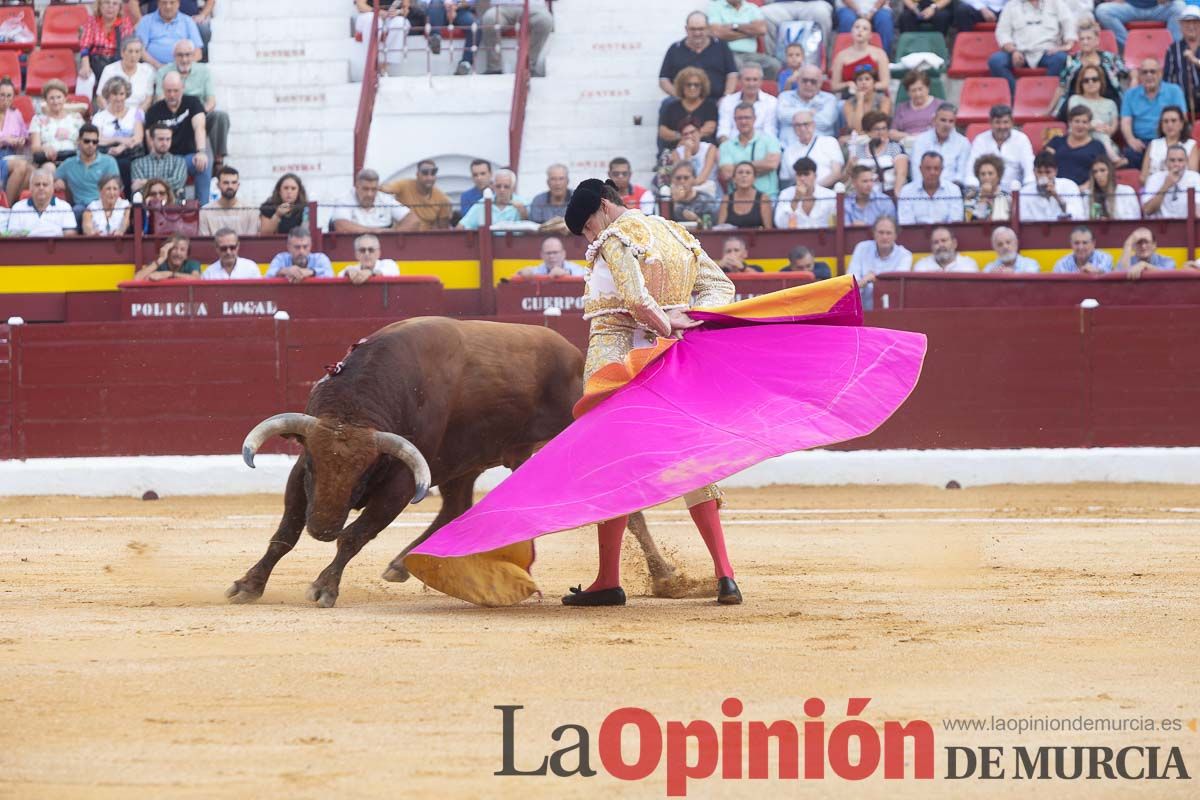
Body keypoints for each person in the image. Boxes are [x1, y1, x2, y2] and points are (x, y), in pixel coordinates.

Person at [560, 178, 741, 606]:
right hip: (669, 359)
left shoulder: (616, 237)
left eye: (588, 226)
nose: (591, 237)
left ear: (604, 207)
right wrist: (684, 317)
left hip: (617, 362)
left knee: (612, 465)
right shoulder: (677, 232)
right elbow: (722, 289)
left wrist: (666, 320)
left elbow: (637, 300)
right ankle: (725, 575)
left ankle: (608, 579)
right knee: (691, 459)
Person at [155, 39, 229, 165]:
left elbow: (211, 101)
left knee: (220, 117)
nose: (184, 59)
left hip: (199, 114)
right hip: (173, 116)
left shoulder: (203, 71)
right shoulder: (164, 72)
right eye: (180, 55)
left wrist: (198, 113)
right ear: (174, 56)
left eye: (188, 55)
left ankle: (218, 160)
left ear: (194, 55)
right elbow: (160, 99)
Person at [144, 72, 210, 200]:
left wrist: (201, 151)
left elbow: (199, 127)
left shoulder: (193, 103)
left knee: (203, 164)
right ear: (163, 90)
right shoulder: (154, 111)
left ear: (182, 88)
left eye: (176, 90)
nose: (172, 95)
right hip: (167, 158)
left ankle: (202, 209)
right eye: (168, 91)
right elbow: (150, 140)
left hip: (189, 157)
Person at [990, 0, 1076, 95]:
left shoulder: (1057, 3)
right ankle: (1017, 95)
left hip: (1048, 52)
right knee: (996, 61)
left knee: (1061, 58)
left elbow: (1069, 26)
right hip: (1019, 52)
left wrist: (1065, 46)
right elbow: (1002, 32)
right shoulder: (1011, 6)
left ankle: (1045, 96)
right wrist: (1013, 51)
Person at [1049, 18, 1127, 120]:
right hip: (1078, 105)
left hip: (1106, 102)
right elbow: (1062, 87)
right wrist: (1049, 110)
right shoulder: (1071, 61)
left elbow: (1127, 74)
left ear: (1097, 40)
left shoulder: (1110, 59)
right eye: (1082, 39)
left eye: (1089, 38)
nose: (1085, 42)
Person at [1120, 58, 1187, 170]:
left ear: (1160, 73)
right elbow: (1125, 122)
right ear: (1140, 75)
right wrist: (1131, 139)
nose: (1149, 75)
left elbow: (1182, 118)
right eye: (1145, 72)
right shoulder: (1130, 94)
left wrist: (1170, 140)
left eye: (1153, 71)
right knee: (1129, 153)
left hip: (1167, 138)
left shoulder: (1174, 91)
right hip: (1141, 142)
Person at [659, 12, 739, 102]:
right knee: (666, 104)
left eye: (701, 29)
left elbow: (732, 74)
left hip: (715, 100)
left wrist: (726, 97)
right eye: (693, 29)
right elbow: (663, 79)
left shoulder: (721, 46)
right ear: (686, 29)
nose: (697, 33)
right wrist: (678, 96)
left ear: (708, 29)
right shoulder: (675, 49)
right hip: (682, 101)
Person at [93, 76, 145, 194]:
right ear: (108, 95)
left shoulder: (136, 112)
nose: (118, 98)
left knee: (125, 164)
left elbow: (138, 137)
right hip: (108, 153)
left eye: (121, 94)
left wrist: (122, 147)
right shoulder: (99, 117)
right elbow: (98, 139)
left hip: (131, 153)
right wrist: (118, 139)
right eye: (114, 94)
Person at [718, 102, 782, 197]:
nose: (743, 122)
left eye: (747, 118)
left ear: (754, 119)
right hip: (736, 199)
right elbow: (727, 173)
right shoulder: (725, 146)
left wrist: (737, 169)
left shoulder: (770, 140)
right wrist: (759, 166)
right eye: (739, 118)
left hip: (767, 196)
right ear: (734, 120)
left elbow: (772, 164)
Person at [847, 215, 911, 309]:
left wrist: (874, 280)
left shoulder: (905, 255)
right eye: (881, 232)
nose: (884, 237)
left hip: (892, 311)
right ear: (874, 233)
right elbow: (849, 286)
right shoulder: (861, 248)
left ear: (895, 235)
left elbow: (898, 287)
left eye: (888, 233)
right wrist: (864, 281)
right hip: (863, 311)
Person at [966, 104, 1034, 189]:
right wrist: (973, 189)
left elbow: (1029, 169)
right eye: (998, 122)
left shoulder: (1022, 139)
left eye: (1005, 122)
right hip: (986, 190)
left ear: (1012, 122)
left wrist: (1028, 189)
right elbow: (971, 169)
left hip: (1014, 191)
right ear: (990, 122)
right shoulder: (981, 139)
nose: (1002, 127)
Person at [1065, 65, 1123, 164]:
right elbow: (1074, 123)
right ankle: (1113, 158)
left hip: (1103, 141)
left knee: (1100, 135)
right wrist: (1095, 126)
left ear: (1101, 81)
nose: (1090, 83)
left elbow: (1112, 129)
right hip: (1079, 140)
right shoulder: (1075, 100)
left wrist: (1106, 129)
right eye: (1086, 80)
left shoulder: (1111, 103)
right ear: (1081, 83)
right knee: (1096, 127)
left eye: (1094, 79)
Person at [480, 0, 554, 77]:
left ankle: (528, 66)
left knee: (545, 20)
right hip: (501, 6)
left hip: (533, 6)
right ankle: (494, 68)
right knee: (489, 19)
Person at [56, 125, 120, 213]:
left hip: (103, 205)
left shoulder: (109, 162)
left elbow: (116, 188)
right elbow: (50, 179)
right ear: (79, 141)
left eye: (94, 142)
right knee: (76, 211)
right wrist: (57, 181)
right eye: (87, 141)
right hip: (81, 206)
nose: (91, 145)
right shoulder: (68, 164)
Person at [709, 0, 780, 78]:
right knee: (736, 64)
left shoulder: (752, 8)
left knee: (774, 64)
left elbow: (761, 29)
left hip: (751, 54)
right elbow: (717, 33)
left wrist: (734, 26)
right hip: (728, 53)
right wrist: (750, 32)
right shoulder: (715, 7)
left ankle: (760, 88)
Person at [332, 168, 419, 233]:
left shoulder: (385, 199)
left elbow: (413, 220)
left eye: (374, 189)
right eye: (365, 189)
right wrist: (375, 232)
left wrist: (395, 234)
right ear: (357, 186)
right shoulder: (344, 199)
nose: (370, 194)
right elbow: (341, 226)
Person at [78, 0, 136, 91]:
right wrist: (85, 64)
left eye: (115, 4)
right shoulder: (92, 21)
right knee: (84, 77)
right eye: (106, 2)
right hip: (96, 62)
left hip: (118, 61)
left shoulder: (125, 23)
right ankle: (83, 103)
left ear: (119, 7)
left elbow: (129, 46)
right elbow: (85, 45)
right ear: (99, 5)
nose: (110, 7)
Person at [380, 158, 453, 230]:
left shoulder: (442, 198)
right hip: (403, 236)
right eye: (425, 173)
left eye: (433, 173)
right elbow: (386, 189)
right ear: (417, 174)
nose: (429, 177)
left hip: (427, 238)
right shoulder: (404, 185)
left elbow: (443, 228)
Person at [658, 68, 719, 152]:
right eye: (688, 84)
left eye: (696, 85)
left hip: (703, 152)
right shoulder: (671, 107)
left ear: (702, 86)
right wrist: (681, 137)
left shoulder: (709, 106)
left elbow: (709, 128)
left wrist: (689, 138)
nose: (692, 88)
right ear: (682, 86)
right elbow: (663, 131)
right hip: (675, 150)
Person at [1044, 106, 1108, 186]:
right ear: (1070, 122)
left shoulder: (1097, 146)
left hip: (1085, 192)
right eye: (1077, 121)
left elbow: (1102, 172)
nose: (1080, 125)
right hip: (1056, 188)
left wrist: (1082, 189)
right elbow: (1044, 165)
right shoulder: (1056, 141)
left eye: (1084, 122)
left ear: (1089, 124)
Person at [909, 103, 970, 187]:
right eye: (943, 120)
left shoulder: (963, 143)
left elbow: (961, 174)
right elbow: (916, 172)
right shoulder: (921, 140)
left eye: (951, 121)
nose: (947, 125)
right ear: (934, 120)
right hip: (923, 189)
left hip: (952, 192)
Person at [779, 111, 844, 187]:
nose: (802, 128)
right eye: (798, 125)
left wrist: (814, 190)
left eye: (806, 124)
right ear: (793, 128)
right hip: (801, 195)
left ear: (813, 124)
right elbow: (786, 181)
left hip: (828, 192)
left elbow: (836, 173)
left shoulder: (829, 142)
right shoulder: (788, 151)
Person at [776, 64, 839, 143]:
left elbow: (825, 123)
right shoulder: (785, 96)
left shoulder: (829, 99)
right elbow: (783, 117)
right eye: (805, 80)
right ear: (798, 80)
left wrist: (796, 116)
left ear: (820, 83)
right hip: (788, 147)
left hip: (819, 148)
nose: (808, 84)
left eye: (813, 81)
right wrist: (810, 112)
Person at [847, 111, 908, 192]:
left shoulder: (895, 147)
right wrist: (849, 167)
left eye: (884, 128)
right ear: (868, 132)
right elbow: (848, 176)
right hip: (862, 195)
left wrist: (896, 195)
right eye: (876, 129)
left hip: (888, 192)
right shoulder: (858, 149)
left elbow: (901, 174)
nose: (881, 132)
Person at [4, 169, 78, 237]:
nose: (41, 188)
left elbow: (69, 237)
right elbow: (13, 238)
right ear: (30, 188)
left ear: (52, 188)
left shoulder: (65, 207)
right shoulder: (18, 208)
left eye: (45, 184)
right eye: (37, 184)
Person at [29, 80, 85, 168]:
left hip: (73, 158)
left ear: (65, 98)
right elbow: (35, 148)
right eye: (51, 98)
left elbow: (84, 141)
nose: (55, 101)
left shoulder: (76, 118)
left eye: (59, 97)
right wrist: (45, 149)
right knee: (49, 168)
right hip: (49, 160)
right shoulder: (38, 119)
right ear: (46, 100)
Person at [716, 63, 778, 143]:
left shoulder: (772, 102)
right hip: (732, 147)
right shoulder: (727, 101)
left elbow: (770, 132)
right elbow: (723, 130)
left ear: (761, 81)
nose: (751, 84)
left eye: (755, 79)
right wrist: (729, 149)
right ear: (740, 80)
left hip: (761, 148)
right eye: (747, 79)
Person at [897, 152, 964, 224]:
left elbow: (955, 222)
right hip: (915, 234)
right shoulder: (907, 191)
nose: (932, 172)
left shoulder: (954, 190)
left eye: (936, 168)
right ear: (920, 169)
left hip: (946, 234)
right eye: (928, 168)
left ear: (942, 169)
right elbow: (906, 224)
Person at [1019, 151, 1086, 222]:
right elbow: (1023, 220)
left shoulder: (1069, 186)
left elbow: (1079, 217)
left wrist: (1057, 197)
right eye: (1039, 172)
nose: (1043, 176)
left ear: (1055, 171)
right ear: (1034, 172)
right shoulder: (1024, 192)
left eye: (1048, 172)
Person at [830, 17, 890, 94]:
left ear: (870, 35)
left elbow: (885, 83)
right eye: (857, 27)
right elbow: (834, 85)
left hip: (873, 96)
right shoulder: (841, 56)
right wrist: (847, 84)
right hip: (849, 96)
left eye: (865, 28)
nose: (860, 30)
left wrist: (868, 87)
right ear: (851, 31)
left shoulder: (880, 54)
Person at [1140, 106, 1199, 186]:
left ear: (1181, 124)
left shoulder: (1191, 144)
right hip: (1155, 189)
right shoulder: (1153, 144)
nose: (1169, 125)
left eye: (1173, 121)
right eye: (1166, 121)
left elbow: (1192, 175)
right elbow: (1143, 177)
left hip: (1182, 189)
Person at [96, 37, 156, 113]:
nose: (133, 55)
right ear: (122, 53)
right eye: (130, 51)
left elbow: (148, 99)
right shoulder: (109, 70)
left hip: (136, 114)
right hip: (111, 111)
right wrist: (110, 113)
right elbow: (100, 97)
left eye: (137, 51)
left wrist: (136, 116)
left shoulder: (147, 70)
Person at [136, 0, 203, 68]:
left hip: (183, 69)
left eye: (172, 2)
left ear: (178, 4)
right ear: (158, 4)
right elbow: (140, 49)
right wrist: (158, 66)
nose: (168, 6)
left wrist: (182, 67)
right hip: (152, 68)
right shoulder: (146, 20)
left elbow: (198, 53)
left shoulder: (188, 21)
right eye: (164, 3)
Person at [1095, 0, 1186, 50]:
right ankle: (1132, 46)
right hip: (1130, 7)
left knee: (1179, 7)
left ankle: (1173, 51)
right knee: (1102, 11)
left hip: (1158, 7)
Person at [773, 156, 837, 228]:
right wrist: (795, 200)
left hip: (823, 238)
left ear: (815, 176)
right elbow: (780, 224)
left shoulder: (830, 195)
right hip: (796, 238)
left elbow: (836, 224)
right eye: (799, 174)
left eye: (806, 174)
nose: (802, 178)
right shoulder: (785, 194)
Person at [1141, 143, 1200, 218]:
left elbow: (1198, 210)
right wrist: (1166, 185)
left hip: (1187, 225)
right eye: (1172, 160)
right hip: (1161, 226)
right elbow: (1148, 210)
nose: (1176, 164)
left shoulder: (1195, 178)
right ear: (1166, 162)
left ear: (1186, 162)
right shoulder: (1154, 178)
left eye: (1180, 160)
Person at [199, 165, 259, 236]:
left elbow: (251, 241)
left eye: (234, 182)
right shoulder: (205, 211)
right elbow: (204, 242)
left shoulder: (250, 210)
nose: (230, 186)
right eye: (226, 183)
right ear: (218, 185)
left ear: (238, 185)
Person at [458, 168, 527, 229]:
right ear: (492, 186)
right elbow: (461, 226)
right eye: (498, 186)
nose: (502, 190)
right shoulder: (482, 204)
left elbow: (533, 230)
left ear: (513, 188)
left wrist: (524, 214)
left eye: (506, 186)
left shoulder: (523, 203)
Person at [1163, 6, 1200, 118]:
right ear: (1181, 26)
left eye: (1195, 22)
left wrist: (1195, 60)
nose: (1191, 26)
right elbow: (1167, 78)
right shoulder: (1173, 49)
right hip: (1182, 102)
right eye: (1187, 23)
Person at [131, 123, 187, 197]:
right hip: (147, 206)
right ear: (151, 140)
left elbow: (177, 182)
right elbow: (139, 190)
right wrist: (167, 184)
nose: (165, 143)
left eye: (168, 139)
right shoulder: (137, 163)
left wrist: (145, 182)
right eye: (161, 139)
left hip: (173, 207)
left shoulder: (179, 162)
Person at [1082, 154, 1142, 220]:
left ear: (1111, 172)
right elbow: (1084, 220)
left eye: (1102, 170)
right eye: (1095, 172)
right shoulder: (1088, 195)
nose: (1098, 175)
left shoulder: (1126, 191)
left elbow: (1135, 218)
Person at [0, 78, 32, 201]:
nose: (5, 99)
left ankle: (13, 205)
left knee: (31, 171)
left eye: (9, 96)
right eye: (2, 95)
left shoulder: (15, 114)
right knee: (21, 166)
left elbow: (24, 135)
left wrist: (21, 140)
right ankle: (5, 207)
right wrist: (5, 140)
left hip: (10, 155)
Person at [669, 120, 720, 197]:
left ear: (699, 133)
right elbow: (683, 178)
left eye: (692, 132)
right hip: (686, 193)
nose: (689, 136)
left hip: (708, 190)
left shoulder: (710, 148)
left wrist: (690, 184)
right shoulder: (676, 153)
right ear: (682, 137)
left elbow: (702, 178)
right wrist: (687, 153)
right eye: (685, 134)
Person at [760, 2, 834, 55]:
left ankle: (823, 57)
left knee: (821, 13)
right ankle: (772, 59)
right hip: (783, 3)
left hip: (814, 3)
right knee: (764, 13)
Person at [717, 161, 773, 228]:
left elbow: (768, 229)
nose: (744, 175)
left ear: (754, 179)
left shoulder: (763, 198)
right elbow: (720, 228)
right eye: (740, 172)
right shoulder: (726, 199)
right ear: (734, 179)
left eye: (748, 173)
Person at [266, 228, 334, 282]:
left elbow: (331, 276)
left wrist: (311, 272)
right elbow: (268, 277)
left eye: (305, 247)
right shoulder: (281, 258)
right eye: (297, 247)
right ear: (288, 247)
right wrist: (286, 271)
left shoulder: (320, 258)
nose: (301, 251)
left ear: (310, 246)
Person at [841, 65, 892, 138]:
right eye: (860, 79)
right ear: (856, 84)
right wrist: (860, 100)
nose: (863, 82)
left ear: (874, 82)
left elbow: (880, 127)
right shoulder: (849, 103)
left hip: (878, 137)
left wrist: (865, 135)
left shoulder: (884, 101)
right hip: (856, 139)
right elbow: (857, 129)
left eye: (867, 79)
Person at [892, 70, 942, 142]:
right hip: (907, 144)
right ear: (908, 92)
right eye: (913, 90)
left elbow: (945, 130)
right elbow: (892, 133)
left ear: (928, 88)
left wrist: (922, 136)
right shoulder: (901, 108)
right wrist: (910, 136)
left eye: (920, 89)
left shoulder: (940, 106)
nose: (918, 94)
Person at [667, 162, 719, 227]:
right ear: (672, 180)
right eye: (678, 178)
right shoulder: (666, 201)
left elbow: (712, 226)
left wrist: (696, 219)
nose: (682, 181)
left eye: (686, 178)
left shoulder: (706, 200)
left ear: (694, 179)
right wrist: (675, 201)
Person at [134, 232, 201, 279]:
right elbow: (137, 278)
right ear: (168, 251)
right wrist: (160, 259)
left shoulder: (192, 264)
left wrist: (169, 274)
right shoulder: (159, 264)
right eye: (174, 248)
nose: (178, 253)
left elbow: (196, 278)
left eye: (182, 250)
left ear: (187, 254)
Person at [964, 154, 1011, 221]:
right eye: (983, 174)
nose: (986, 177)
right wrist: (983, 198)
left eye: (990, 173)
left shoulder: (1007, 197)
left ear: (998, 176)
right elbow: (971, 222)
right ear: (978, 176)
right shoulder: (970, 198)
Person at [912, 226, 980, 273]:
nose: (940, 245)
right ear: (932, 247)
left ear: (954, 243)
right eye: (936, 242)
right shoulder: (922, 266)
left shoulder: (968, 265)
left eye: (944, 240)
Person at [515, 235, 587, 277]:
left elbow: (587, 278)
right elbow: (515, 277)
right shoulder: (539, 269)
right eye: (548, 253)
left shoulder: (575, 268)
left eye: (555, 252)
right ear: (542, 255)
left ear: (563, 254)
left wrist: (566, 274)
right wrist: (522, 273)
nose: (551, 256)